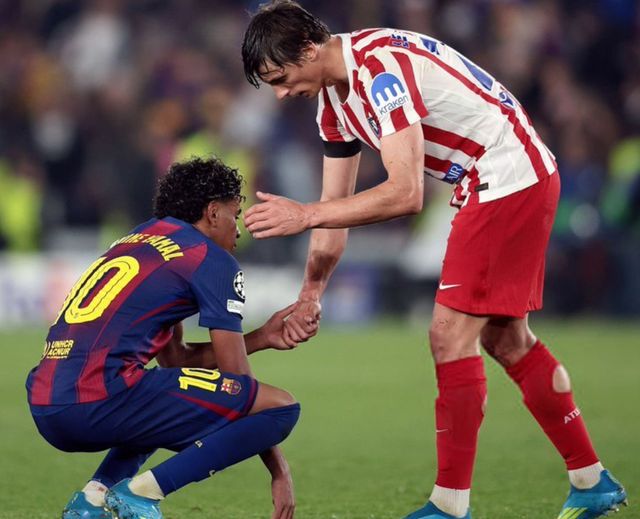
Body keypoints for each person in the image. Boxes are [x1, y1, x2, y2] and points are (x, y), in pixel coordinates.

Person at [240, 2, 627, 518]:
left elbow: (405, 193)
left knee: (448, 335)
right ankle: (591, 480)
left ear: (308, 50)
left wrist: (304, 213)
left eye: (281, 78)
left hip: (504, 174)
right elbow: (334, 211)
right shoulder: (332, 105)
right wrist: (311, 294)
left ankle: (449, 506)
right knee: (506, 339)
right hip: (497, 178)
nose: (281, 93)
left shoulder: (379, 71)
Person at [26, 157, 302, 519]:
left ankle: (92, 500)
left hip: (46, 403)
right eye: (235, 215)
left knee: (163, 397)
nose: (238, 231)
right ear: (213, 212)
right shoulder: (209, 258)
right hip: (98, 399)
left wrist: (261, 337)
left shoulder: (136, 240)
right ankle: (142, 494)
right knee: (281, 407)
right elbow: (240, 384)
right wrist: (279, 470)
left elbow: (176, 361)